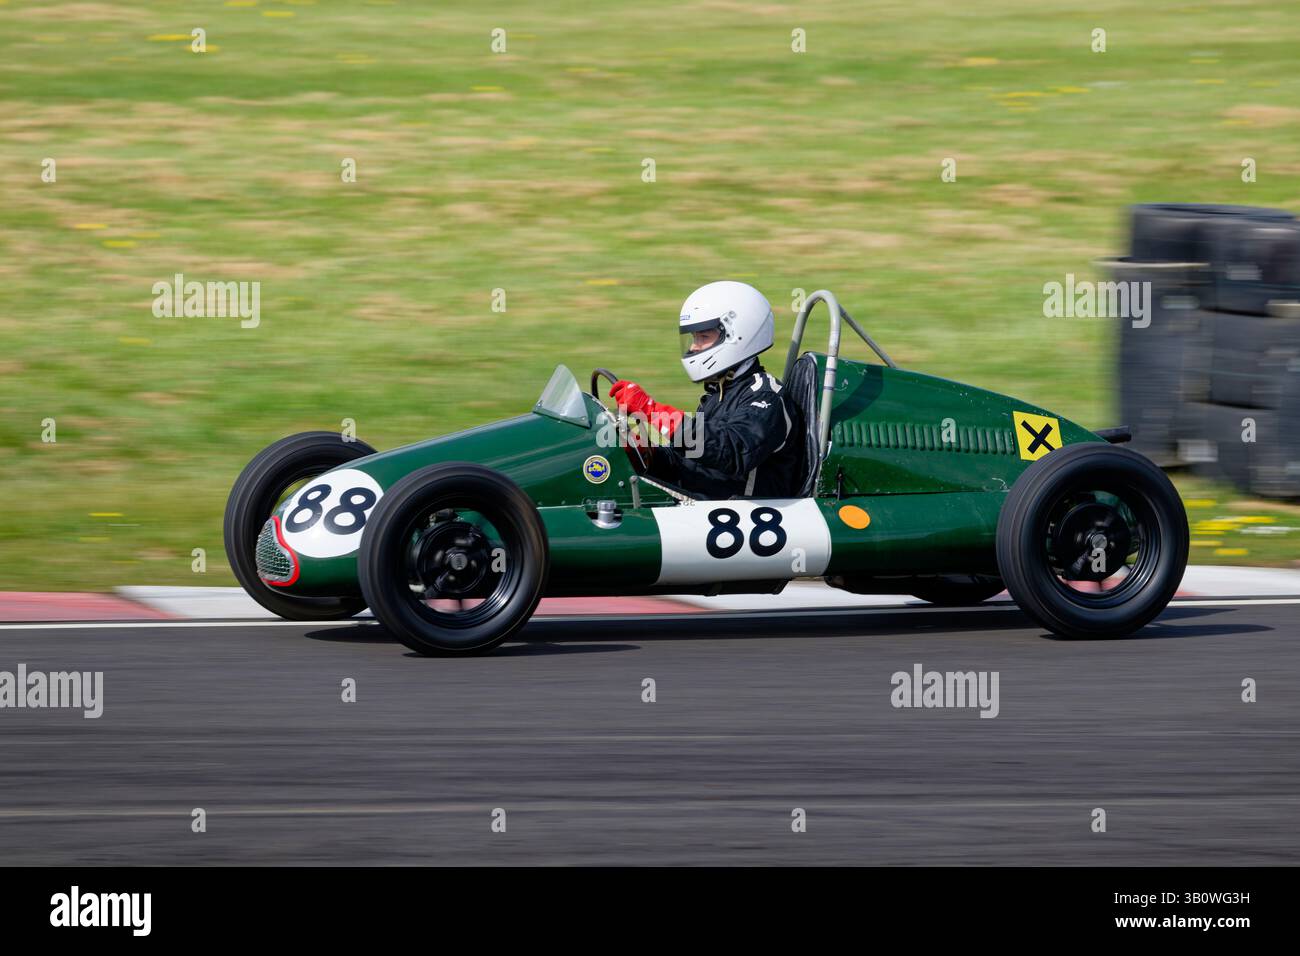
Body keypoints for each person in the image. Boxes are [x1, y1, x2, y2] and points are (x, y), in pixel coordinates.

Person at [609, 280, 802, 499]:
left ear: (736, 336)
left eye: (704, 337)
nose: (693, 347)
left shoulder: (767, 397)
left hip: (742, 514)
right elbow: (693, 463)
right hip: (706, 503)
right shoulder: (719, 392)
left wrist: (653, 412)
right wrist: (647, 455)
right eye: (694, 338)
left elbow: (733, 452)